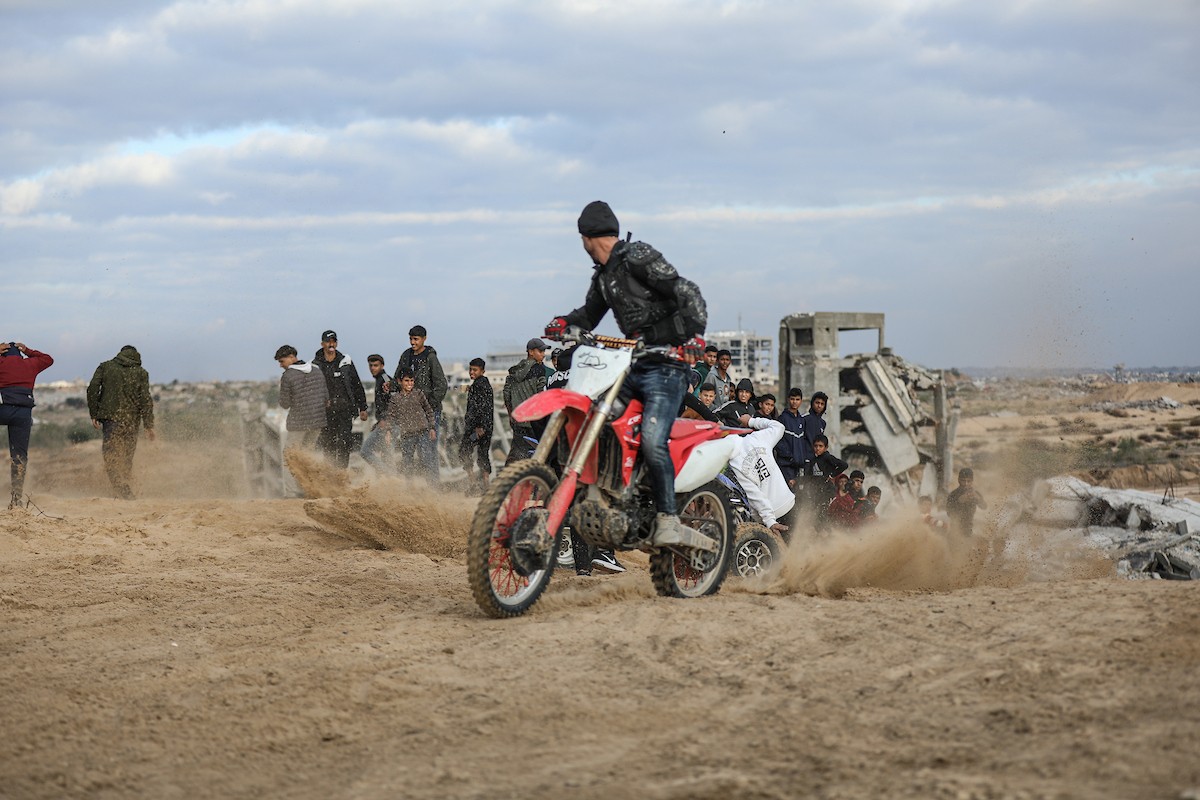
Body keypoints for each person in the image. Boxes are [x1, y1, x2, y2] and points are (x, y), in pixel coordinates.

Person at [545, 199, 707, 547]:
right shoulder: (605, 277)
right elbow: (588, 315)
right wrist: (563, 323)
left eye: (582, 240)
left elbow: (685, 289)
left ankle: (667, 517)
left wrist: (694, 337)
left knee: (651, 438)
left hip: (668, 367)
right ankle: (612, 494)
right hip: (634, 366)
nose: (583, 246)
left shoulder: (637, 256)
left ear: (589, 237)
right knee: (596, 418)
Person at [87, 345, 155, 499]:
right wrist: (149, 425)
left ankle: (121, 490)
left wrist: (94, 413)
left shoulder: (106, 367)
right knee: (126, 457)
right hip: (131, 421)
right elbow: (145, 399)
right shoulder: (141, 372)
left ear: (120, 353)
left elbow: (92, 388)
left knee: (110, 455)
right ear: (136, 356)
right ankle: (124, 490)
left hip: (111, 419)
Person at [0, 342, 54, 508]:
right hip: (23, 414)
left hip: (2, 408)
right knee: (19, 457)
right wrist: (28, 351)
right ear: (20, 355)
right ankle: (16, 499)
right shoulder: (29, 363)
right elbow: (48, 359)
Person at [395, 325, 449, 485]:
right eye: (411, 339)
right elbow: (399, 377)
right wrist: (391, 386)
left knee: (427, 451)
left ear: (424, 339)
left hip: (429, 413)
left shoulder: (430, 358)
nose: (413, 342)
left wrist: (429, 405)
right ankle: (409, 488)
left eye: (416, 339)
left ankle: (434, 489)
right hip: (410, 413)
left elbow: (442, 385)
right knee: (408, 451)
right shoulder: (406, 356)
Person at [726, 414, 794, 537]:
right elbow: (779, 427)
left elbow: (754, 494)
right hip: (787, 502)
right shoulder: (756, 437)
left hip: (769, 517)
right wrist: (752, 421)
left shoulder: (734, 462)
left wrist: (770, 521)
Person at [312, 330, 368, 469]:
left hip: (345, 409)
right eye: (328, 341)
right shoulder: (315, 364)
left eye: (333, 341)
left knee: (344, 442)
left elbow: (356, 384)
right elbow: (312, 390)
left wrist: (363, 407)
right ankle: (330, 474)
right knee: (328, 444)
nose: (331, 344)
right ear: (322, 344)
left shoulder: (345, 362)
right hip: (326, 412)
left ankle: (341, 473)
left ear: (336, 343)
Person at [502, 338, 549, 465]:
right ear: (531, 352)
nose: (543, 354)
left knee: (516, 454)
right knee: (536, 455)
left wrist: (511, 415)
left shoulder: (514, 371)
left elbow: (506, 394)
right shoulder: (539, 370)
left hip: (518, 421)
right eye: (540, 351)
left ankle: (506, 481)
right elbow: (541, 395)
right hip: (534, 422)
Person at [275, 344, 329, 452]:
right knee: (308, 453)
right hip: (317, 421)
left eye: (281, 361)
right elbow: (326, 398)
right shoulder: (317, 371)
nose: (280, 365)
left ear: (291, 357)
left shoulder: (288, 376)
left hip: (298, 423)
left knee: (291, 455)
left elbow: (285, 404)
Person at [386, 370, 436, 478]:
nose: (410, 383)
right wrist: (388, 431)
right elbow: (390, 416)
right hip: (406, 434)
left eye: (412, 381)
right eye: (407, 381)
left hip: (422, 432)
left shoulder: (418, 394)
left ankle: (431, 486)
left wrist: (432, 427)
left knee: (425, 459)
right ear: (400, 381)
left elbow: (429, 410)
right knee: (407, 462)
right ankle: (410, 488)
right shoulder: (395, 398)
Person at [459, 357, 494, 494]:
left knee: (464, 450)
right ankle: (486, 487)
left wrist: (480, 427)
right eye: (470, 369)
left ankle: (473, 484)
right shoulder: (483, 384)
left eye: (475, 370)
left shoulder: (479, 385)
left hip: (477, 429)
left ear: (482, 371)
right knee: (483, 454)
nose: (471, 372)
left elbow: (482, 407)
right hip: (486, 427)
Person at [800, 434, 847, 531]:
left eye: (820, 446)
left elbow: (843, 465)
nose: (817, 448)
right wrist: (796, 481)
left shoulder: (827, 457)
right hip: (817, 493)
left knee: (823, 514)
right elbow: (808, 477)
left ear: (826, 447)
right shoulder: (813, 461)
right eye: (816, 446)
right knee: (814, 515)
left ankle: (829, 533)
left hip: (827, 492)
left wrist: (832, 475)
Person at [359, 354, 397, 472]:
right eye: (370, 365)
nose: (372, 368)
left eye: (376, 365)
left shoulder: (385, 380)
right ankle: (388, 483)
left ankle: (391, 477)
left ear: (382, 366)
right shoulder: (380, 380)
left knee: (365, 451)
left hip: (389, 424)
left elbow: (394, 402)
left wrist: (386, 422)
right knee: (386, 456)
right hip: (384, 423)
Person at [774, 387, 806, 489]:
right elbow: (778, 441)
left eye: (797, 399)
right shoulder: (782, 419)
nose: (794, 402)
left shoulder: (801, 420)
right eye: (792, 399)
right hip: (786, 465)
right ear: (788, 399)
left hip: (798, 466)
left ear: (801, 401)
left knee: (799, 496)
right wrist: (790, 456)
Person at [946, 467, 988, 536]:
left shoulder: (974, 493)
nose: (966, 484)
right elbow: (949, 513)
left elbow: (984, 507)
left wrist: (978, 498)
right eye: (963, 480)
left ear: (972, 481)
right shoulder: (953, 495)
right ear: (959, 480)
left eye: (968, 481)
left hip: (969, 530)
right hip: (955, 531)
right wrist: (959, 501)